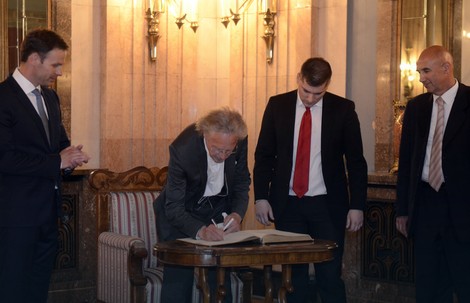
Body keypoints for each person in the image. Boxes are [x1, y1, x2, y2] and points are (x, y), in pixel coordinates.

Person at [253, 57, 368, 303]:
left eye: (318, 94)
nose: (310, 99)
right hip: (288, 205)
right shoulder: (277, 105)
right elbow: (263, 156)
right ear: (299, 78)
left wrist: (357, 205)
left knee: (330, 276)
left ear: (327, 85)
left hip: (328, 206)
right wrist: (261, 196)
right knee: (294, 279)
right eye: (306, 91)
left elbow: (356, 162)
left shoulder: (343, 109)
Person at [0, 29, 90, 303]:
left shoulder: (51, 98)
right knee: (12, 290)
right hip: (13, 220)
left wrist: (70, 158)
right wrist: (56, 161)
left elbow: (58, 147)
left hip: (48, 217)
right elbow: (4, 158)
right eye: (56, 64)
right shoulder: (3, 98)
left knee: (38, 291)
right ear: (35, 59)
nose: (60, 72)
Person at [396, 45, 470, 303]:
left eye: (426, 71)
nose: (420, 78)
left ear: (446, 68)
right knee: (428, 287)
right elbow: (406, 162)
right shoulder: (416, 107)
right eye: (418, 71)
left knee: (464, 282)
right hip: (426, 206)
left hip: (462, 210)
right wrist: (403, 210)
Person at [154, 107, 251, 302]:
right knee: (178, 280)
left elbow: (241, 183)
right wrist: (200, 230)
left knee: (220, 277)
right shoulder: (182, 150)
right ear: (205, 134)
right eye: (217, 149)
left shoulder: (239, 141)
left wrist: (237, 214)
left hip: (215, 209)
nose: (223, 156)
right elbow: (173, 207)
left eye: (228, 151)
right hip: (180, 214)